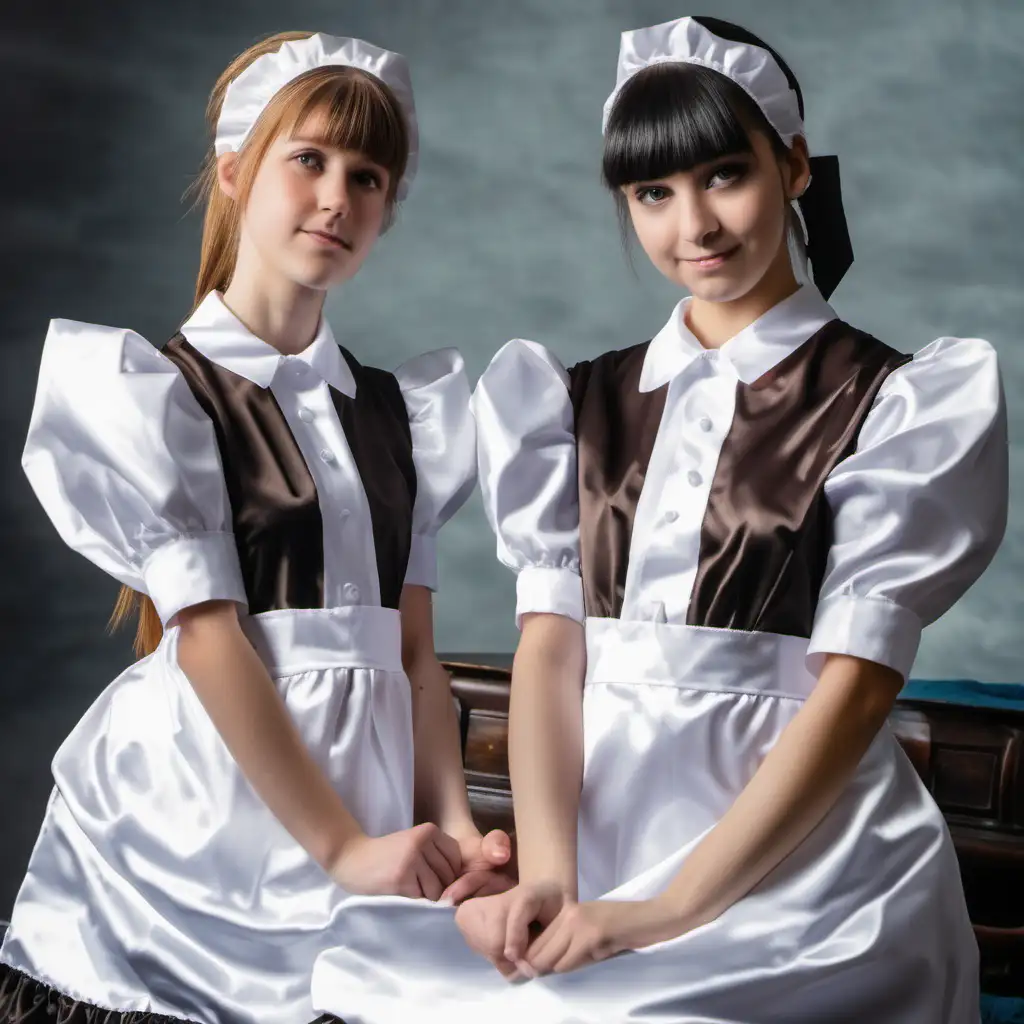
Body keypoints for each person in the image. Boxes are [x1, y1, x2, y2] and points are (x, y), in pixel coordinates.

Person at [307, 15, 1008, 1024]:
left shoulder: (894, 403)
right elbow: (549, 655)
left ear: (795, 165)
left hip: (809, 872)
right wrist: (551, 878)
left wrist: (665, 910)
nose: (695, 227)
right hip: (599, 849)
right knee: (364, 978)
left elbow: (854, 692)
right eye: (652, 193)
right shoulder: (572, 403)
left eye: (725, 173)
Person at [0, 30, 510, 1024]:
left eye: (368, 175)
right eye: (308, 158)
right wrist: (345, 849)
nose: (337, 195)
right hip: (215, 807)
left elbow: (414, 658)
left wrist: (456, 833)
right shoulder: (162, 395)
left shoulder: (403, 415)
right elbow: (207, 637)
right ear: (235, 171)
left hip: (362, 807)